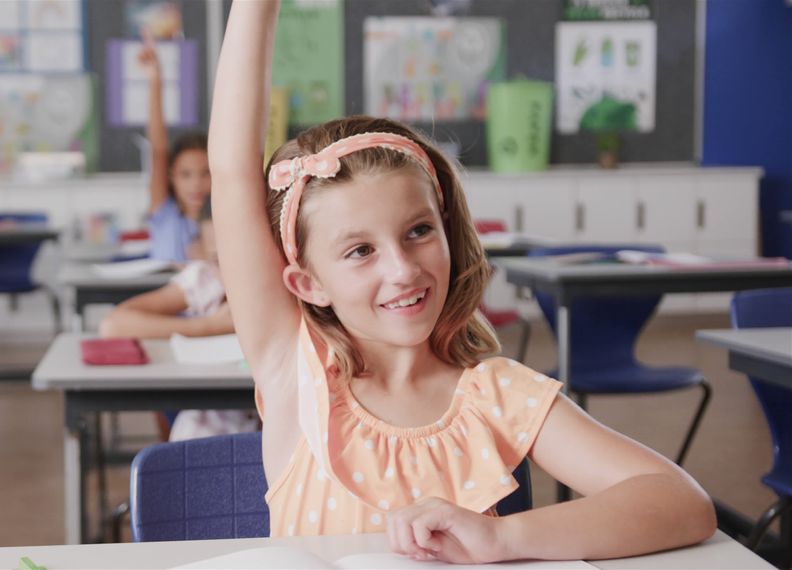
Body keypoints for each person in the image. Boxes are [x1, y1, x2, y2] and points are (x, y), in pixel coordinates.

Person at [206, 1, 716, 564]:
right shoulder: (295, 371)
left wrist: (502, 538)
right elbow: (230, 175)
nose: (402, 268)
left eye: (419, 230)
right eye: (359, 251)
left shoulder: (496, 394)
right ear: (308, 284)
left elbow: (681, 503)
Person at [99, 200, 257, 442]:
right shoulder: (205, 281)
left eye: (242, 255)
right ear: (201, 252)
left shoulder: (291, 286)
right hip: (206, 435)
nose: (230, 270)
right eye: (217, 260)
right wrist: (209, 326)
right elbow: (113, 325)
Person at [139, 32, 211, 263]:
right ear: (171, 177)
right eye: (186, 175)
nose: (196, 184)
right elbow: (159, 149)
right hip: (161, 297)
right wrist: (155, 80)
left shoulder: (222, 225)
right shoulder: (165, 213)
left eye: (206, 173)